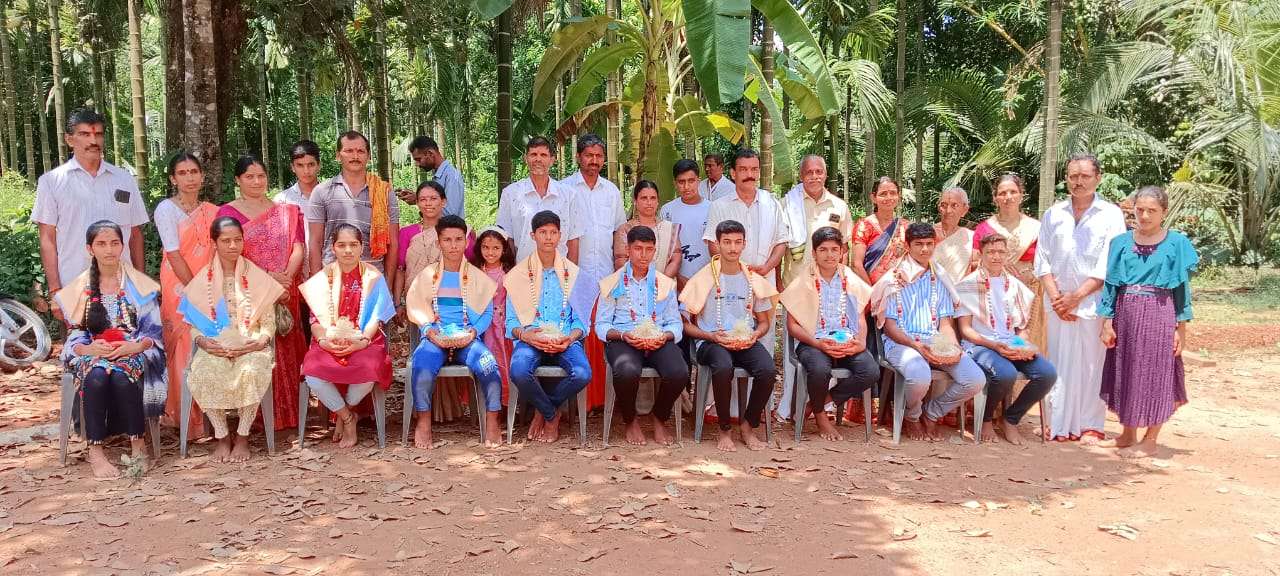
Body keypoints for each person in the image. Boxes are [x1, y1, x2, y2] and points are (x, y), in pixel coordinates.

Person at [55, 221, 165, 478]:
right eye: (101, 244)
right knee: (95, 377)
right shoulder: (80, 288)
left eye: (115, 243)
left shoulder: (140, 285)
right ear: (89, 249)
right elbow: (75, 335)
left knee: (121, 376)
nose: (109, 250)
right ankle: (95, 451)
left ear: (122, 246)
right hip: (94, 352)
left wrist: (135, 346)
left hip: (133, 350)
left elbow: (153, 332)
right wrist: (88, 349)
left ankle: (138, 445)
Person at [1099, 186, 1198, 458]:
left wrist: (1180, 330)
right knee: (1126, 369)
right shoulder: (1120, 242)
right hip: (1125, 314)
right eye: (1139, 209)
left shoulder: (1177, 244)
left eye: (1151, 210)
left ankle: (1151, 439)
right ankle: (1127, 434)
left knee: (1157, 373)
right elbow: (1111, 286)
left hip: (1159, 313)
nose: (1144, 215)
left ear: (1163, 212)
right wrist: (1106, 321)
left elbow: (1182, 291)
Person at [1035, 153, 1126, 443]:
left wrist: (1076, 297)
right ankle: (1057, 424)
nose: (1078, 182)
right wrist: (1057, 298)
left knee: (1091, 364)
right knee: (1058, 362)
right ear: (1066, 179)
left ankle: (1090, 425)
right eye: (1073, 176)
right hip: (1057, 304)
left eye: (1085, 176)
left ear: (1097, 178)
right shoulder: (1054, 214)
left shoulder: (1110, 214)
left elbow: (1110, 262)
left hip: (1092, 302)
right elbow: (1042, 259)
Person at [178, 217, 282, 463]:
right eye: (226, 241)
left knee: (251, 370)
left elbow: (268, 323)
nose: (233, 246)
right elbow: (195, 327)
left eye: (237, 240)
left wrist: (261, 341)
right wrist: (203, 342)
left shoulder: (257, 278)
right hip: (215, 346)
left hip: (250, 345)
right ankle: (223, 437)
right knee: (204, 371)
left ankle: (243, 436)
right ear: (214, 243)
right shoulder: (202, 281)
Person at [871, 222, 986, 442]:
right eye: (918, 244)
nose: (925, 249)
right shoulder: (894, 279)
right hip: (902, 343)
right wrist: (917, 347)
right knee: (919, 376)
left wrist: (953, 347)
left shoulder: (940, 277)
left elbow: (945, 323)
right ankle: (912, 416)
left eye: (929, 244)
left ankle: (932, 413)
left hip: (935, 340)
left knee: (975, 379)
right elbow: (890, 327)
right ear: (907, 246)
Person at [217, 155, 307, 432]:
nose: (256, 182)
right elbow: (229, 253)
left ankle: (291, 413)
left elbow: (298, 247)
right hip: (249, 289)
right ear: (238, 180)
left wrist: (285, 279)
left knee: (285, 340)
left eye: (261, 176)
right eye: (249, 177)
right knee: (258, 342)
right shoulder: (227, 213)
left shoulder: (285, 211)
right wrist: (267, 278)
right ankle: (255, 416)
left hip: (285, 288)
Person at [35, 109, 150, 320]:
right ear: (69, 139)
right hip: (75, 285)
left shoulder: (124, 179)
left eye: (98, 134)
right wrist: (55, 290)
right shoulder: (52, 182)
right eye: (84, 134)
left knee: (126, 339)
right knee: (79, 341)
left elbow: (135, 234)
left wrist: (140, 281)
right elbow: (47, 239)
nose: (93, 141)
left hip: (123, 285)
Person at [679, 220, 779, 452]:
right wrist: (710, 336)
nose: (732, 248)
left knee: (767, 371)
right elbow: (684, 324)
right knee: (723, 366)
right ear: (717, 244)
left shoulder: (752, 278)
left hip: (745, 340)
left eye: (737, 242)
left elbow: (764, 322)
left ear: (744, 244)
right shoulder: (703, 278)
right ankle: (724, 430)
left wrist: (754, 334)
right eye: (727, 242)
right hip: (711, 341)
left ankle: (747, 426)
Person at [405, 216, 504, 448]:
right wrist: (430, 331)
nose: (453, 245)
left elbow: (486, 313)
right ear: (438, 242)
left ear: (466, 242)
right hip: (436, 337)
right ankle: (423, 422)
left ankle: (492, 420)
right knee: (422, 365)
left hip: (467, 337)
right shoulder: (427, 276)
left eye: (458, 239)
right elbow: (417, 309)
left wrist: (473, 333)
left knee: (489, 365)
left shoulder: (478, 277)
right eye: (447, 240)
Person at [298, 224, 397, 448]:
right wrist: (324, 341)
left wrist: (361, 341)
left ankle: (344, 415)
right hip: (328, 342)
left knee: (370, 370)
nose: (348, 250)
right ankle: (348, 417)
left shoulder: (373, 277)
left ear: (362, 247)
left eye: (353, 245)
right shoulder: (322, 278)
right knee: (312, 372)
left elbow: (376, 319)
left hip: (366, 342)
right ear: (333, 248)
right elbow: (315, 321)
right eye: (341, 245)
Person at [955, 234, 1057, 445]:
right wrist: (994, 345)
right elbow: (965, 330)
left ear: (1007, 254)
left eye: (1001, 252)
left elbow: (1021, 328)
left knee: (1047, 373)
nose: (996, 256)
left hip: (1010, 343)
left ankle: (1010, 419)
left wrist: (1022, 345)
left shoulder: (1014, 285)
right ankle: (986, 419)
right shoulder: (966, 285)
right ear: (981, 255)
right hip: (980, 345)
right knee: (1005, 374)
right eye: (991, 252)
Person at [780, 227, 878, 441]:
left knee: (870, 371)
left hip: (846, 340)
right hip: (814, 342)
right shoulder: (803, 281)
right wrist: (818, 344)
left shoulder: (850, 278)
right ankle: (821, 416)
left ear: (842, 252)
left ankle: (818, 403)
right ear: (814, 253)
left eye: (834, 249)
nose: (829, 255)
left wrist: (861, 342)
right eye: (823, 250)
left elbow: (860, 318)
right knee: (819, 369)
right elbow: (792, 326)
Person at [503, 211, 592, 443]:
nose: (549, 237)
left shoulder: (574, 274)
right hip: (531, 339)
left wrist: (569, 338)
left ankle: (542, 412)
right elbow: (511, 322)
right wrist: (527, 336)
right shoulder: (518, 275)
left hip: (565, 339)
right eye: (543, 232)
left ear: (560, 236)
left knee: (582, 373)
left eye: (553, 232)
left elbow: (581, 322)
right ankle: (552, 414)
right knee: (519, 370)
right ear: (533, 235)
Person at [596, 225, 689, 446]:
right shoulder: (612, 282)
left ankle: (659, 417)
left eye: (649, 249)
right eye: (638, 248)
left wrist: (665, 336)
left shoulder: (664, 283)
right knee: (626, 371)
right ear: (628, 249)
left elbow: (675, 323)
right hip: (624, 338)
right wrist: (623, 335)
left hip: (657, 338)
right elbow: (601, 325)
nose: (643, 255)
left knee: (679, 372)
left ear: (655, 251)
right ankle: (630, 420)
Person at [154, 152, 219, 436]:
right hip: (179, 285)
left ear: (202, 176)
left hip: (210, 284)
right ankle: (186, 421)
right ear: (173, 179)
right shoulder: (166, 210)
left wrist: (209, 287)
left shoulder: (212, 211)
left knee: (209, 343)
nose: (189, 178)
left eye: (194, 172)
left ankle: (211, 417)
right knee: (183, 345)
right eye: (182, 173)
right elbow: (173, 252)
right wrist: (194, 289)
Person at [560, 135, 626, 411]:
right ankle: (577, 402)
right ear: (578, 157)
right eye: (589, 155)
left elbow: (619, 231)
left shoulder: (611, 191)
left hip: (606, 275)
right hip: (575, 276)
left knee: (601, 337)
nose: (594, 161)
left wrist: (620, 270)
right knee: (578, 335)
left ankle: (600, 400)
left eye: (599, 156)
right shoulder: (564, 189)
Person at [306, 131, 400, 294]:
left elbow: (393, 243)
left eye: (360, 151)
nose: (355, 156)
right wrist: (317, 285)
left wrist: (387, 287)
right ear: (338, 155)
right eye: (349, 151)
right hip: (333, 281)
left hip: (372, 281)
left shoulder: (384, 193)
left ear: (368, 156)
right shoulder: (322, 192)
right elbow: (315, 242)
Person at [972, 174, 1045, 348]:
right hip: (993, 295)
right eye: (1002, 193)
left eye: (1013, 192)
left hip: (1030, 293)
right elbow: (974, 263)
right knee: (1000, 344)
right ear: (995, 198)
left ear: (1021, 195)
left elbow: (1045, 263)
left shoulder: (1037, 228)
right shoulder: (984, 228)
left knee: (1027, 346)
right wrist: (1000, 268)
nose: (1008, 197)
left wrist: (1027, 277)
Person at [495, 136, 583, 261]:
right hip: (523, 268)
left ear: (552, 160)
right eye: (533, 154)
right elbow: (506, 238)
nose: (538, 159)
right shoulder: (511, 194)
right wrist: (514, 270)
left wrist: (570, 271)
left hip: (559, 269)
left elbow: (573, 239)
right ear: (525, 158)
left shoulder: (569, 195)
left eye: (543, 155)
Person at [781, 155, 853, 287]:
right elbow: (777, 246)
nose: (814, 176)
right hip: (794, 284)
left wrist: (840, 281)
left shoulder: (839, 207)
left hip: (829, 285)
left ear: (825, 175)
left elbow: (844, 249)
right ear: (801, 176)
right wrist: (778, 284)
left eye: (819, 172)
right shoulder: (787, 205)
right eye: (809, 172)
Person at [469, 226, 518, 407]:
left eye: (496, 248)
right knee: (484, 361)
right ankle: (485, 403)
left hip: (502, 324)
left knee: (503, 360)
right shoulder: (474, 271)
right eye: (486, 247)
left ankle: (504, 403)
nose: (490, 252)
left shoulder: (509, 273)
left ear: (504, 249)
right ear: (479, 248)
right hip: (480, 322)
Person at [659, 159, 711, 292]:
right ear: (675, 183)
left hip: (709, 280)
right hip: (676, 282)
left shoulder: (712, 209)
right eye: (681, 182)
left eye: (691, 181)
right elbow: (664, 250)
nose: (686, 187)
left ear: (698, 181)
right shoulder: (667, 211)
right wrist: (678, 277)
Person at [395, 181, 445, 317]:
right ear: (417, 202)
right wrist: (398, 303)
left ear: (443, 202)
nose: (428, 203)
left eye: (433, 198)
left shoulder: (455, 232)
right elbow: (400, 269)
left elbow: (468, 266)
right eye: (423, 199)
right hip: (415, 300)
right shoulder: (406, 233)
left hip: (448, 302)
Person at [614, 180, 681, 279]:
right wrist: (642, 284)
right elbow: (621, 261)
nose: (649, 203)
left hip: (665, 284)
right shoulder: (625, 229)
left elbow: (676, 259)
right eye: (644, 198)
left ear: (658, 201)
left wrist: (661, 282)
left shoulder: (669, 228)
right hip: (633, 285)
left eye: (653, 198)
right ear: (635, 201)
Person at [851, 176, 908, 286]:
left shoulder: (905, 227)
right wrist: (873, 292)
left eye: (893, 193)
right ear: (873, 198)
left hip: (900, 290)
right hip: (870, 290)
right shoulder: (864, 226)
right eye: (883, 194)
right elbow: (856, 265)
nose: (889, 197)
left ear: (899, 196)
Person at [277, 139, 323, 265]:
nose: (306, 171)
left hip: (328, 266)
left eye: (311, 164)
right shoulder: (282, 200)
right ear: (292, 167)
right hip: (294, 267)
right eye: (300, 165)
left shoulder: (330, 196)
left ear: (319, 165)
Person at [402, 136, 465, 218]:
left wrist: (419, 200)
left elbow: (450, 214)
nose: (417, 164)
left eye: (419, 159)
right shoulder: (438, 176)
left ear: (430, 153)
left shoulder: (451, 175)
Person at [933, 187, 975, 284]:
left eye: (954, 205)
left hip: (959, 291)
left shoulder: (970, 238)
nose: (948, 210)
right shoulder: (926, 234)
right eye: (944, 205)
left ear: (965, 210)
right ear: (939, 208)